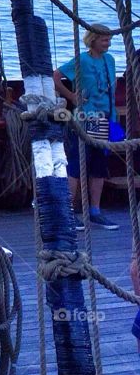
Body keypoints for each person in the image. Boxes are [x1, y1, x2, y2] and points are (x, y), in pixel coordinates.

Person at [52, 26, 119, 231]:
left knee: (99, 167)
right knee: (76, 166)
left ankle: (95, 211)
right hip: (84, 119)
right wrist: (71, 96)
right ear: (93, 40)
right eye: (104, 41)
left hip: (106, 119)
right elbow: (56, 76)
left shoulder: (110, 61)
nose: (108, 44)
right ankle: (69, 214)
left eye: (109, 40)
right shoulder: (81, 60)